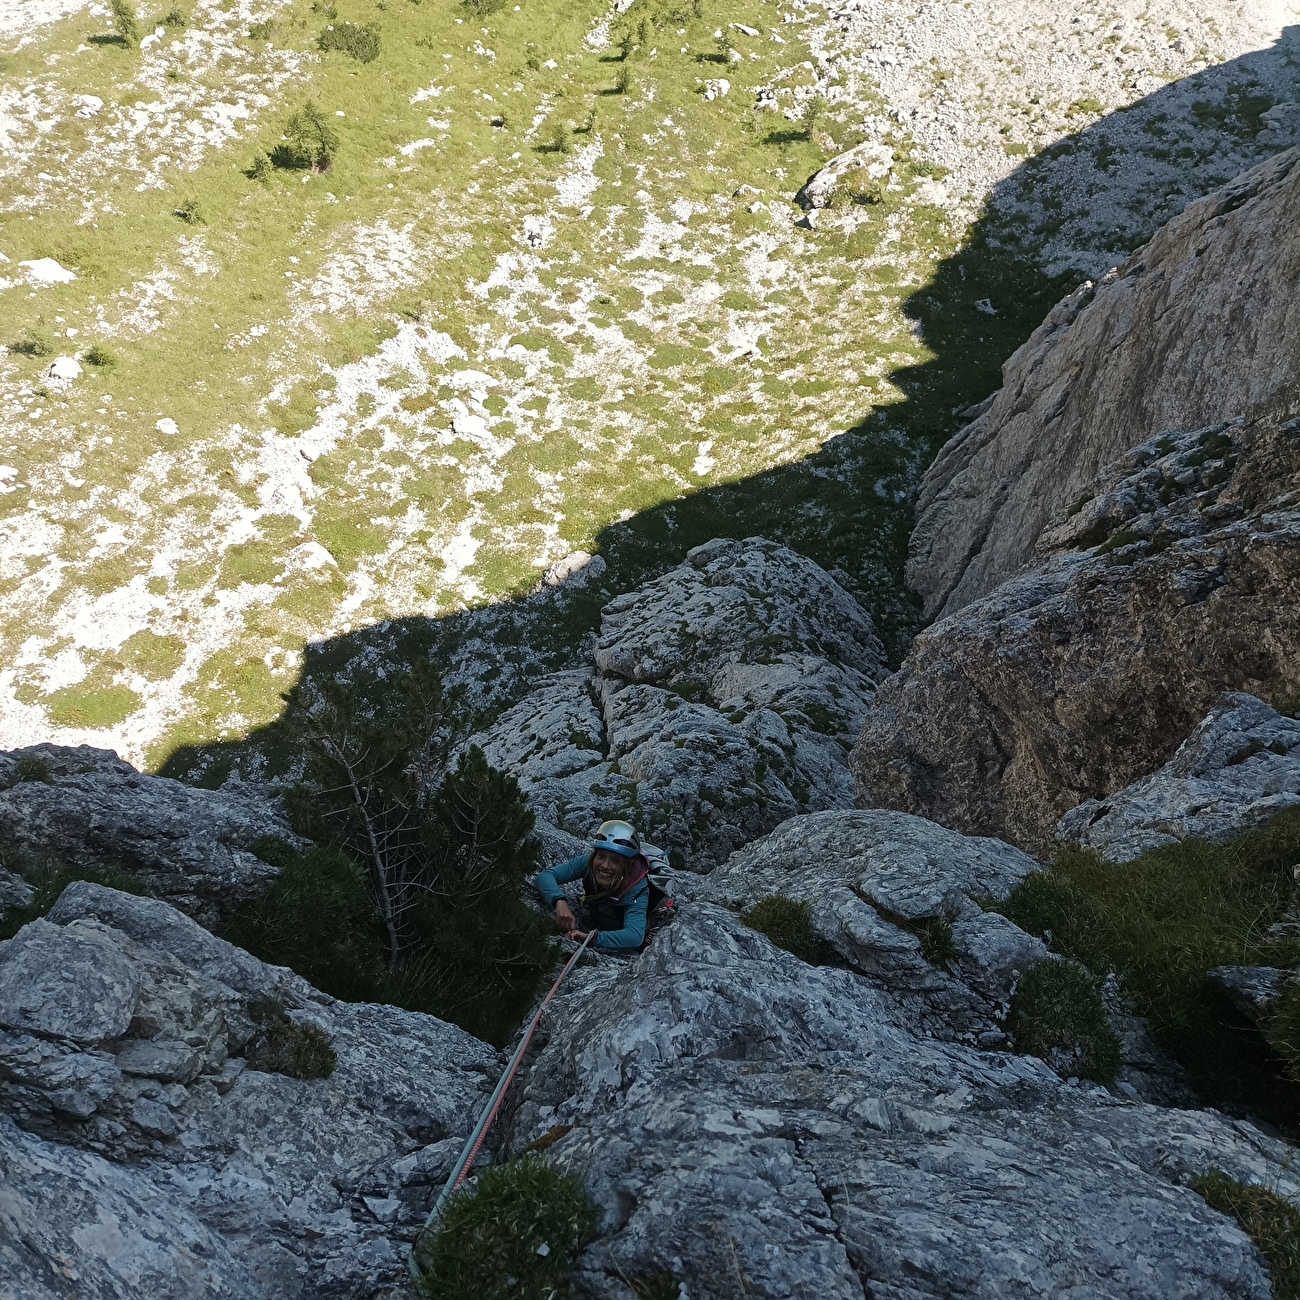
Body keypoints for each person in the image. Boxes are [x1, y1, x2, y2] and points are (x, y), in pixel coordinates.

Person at [532, 820, 652, 952]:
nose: (605, 865)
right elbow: (546, 876)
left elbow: (634, 936)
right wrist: (559, 900)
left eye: (615, 860)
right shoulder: (588, 863)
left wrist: (592, 938)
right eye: (601, 856)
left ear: (629, 864)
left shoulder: (637, 889)